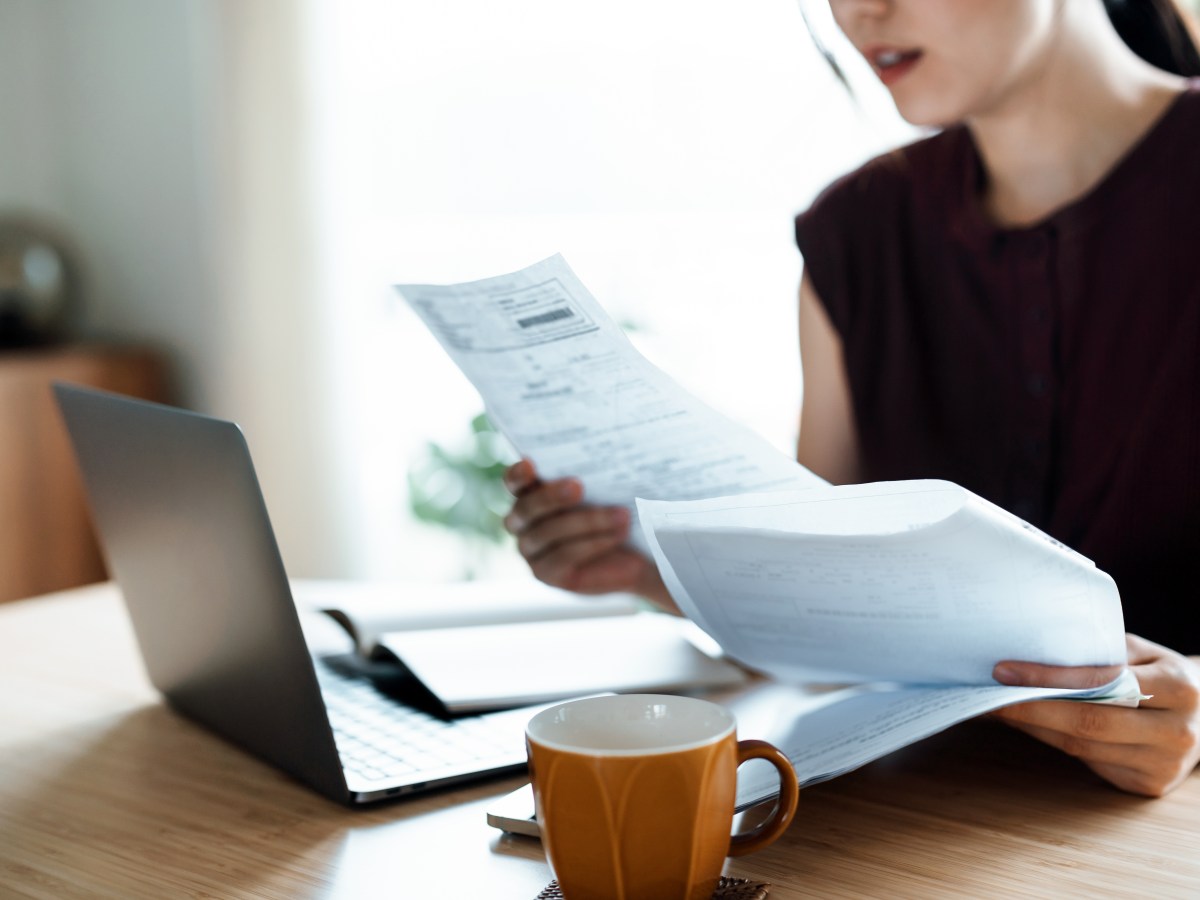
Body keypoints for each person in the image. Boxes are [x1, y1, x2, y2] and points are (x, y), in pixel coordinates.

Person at [501, 0, 1200, 797]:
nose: (862, 11)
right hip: (913, 822)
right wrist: (643, 569)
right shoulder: (854, 233)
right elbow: (837, 601)